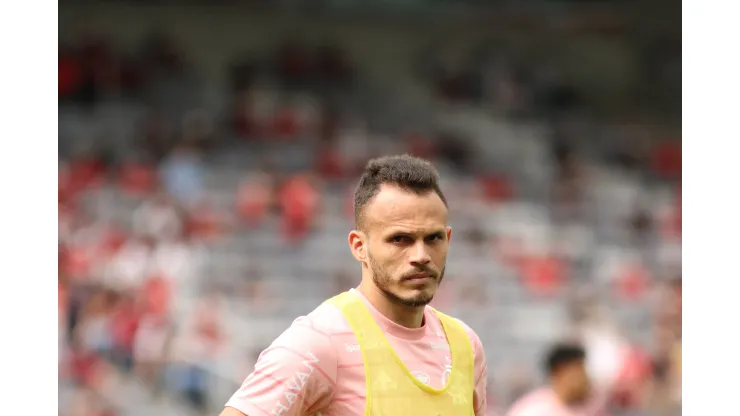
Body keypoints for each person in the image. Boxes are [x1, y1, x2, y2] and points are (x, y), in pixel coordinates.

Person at [221, 155, 488, 416]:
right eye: (399, 239)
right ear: (359, 247)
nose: (421, 256)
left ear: (448, 239)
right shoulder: (321, 342)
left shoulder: (466, 345)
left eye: (433, 238)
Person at [506, 343, 602, 416]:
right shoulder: (532, 410)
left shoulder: (592, 407)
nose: (585, 378)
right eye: (579, 371)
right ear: (559, 373)